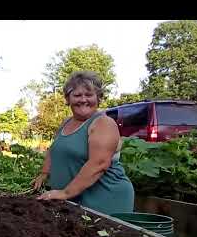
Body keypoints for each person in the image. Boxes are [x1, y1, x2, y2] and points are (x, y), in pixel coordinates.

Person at [34, 71, 134, 215]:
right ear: (68, 99)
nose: (83, 99)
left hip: (104, 199)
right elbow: (55, 149)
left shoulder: (103, 123)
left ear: (98, 98)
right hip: (73, 199)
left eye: (89, 95)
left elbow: (99, 164)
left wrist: (65, 193)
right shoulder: (66, 123)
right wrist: (44, 173)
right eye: (77, 95)